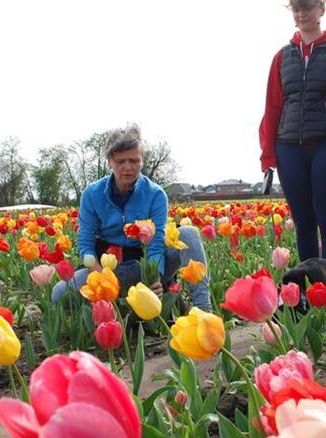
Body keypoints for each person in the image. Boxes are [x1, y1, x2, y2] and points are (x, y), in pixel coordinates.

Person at [52, 124, 212, 311]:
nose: (128, 167)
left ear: (142, 161)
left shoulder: (155, 194)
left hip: (145, 265)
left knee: (188, 233)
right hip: (108, 269)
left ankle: (203, 311)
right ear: (109, 162)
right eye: (120, 161)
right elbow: (85, 243)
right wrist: (102, 280)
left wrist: (154, 279)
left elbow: (156, 244)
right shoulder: (92, 194)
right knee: (59, 293)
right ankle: (121, 302)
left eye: (134, 160)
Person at [259, 0, 326, 269]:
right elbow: (272, 106)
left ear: (321, 9)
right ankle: (308, 290)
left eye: (308, 7)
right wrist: (267, 153)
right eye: (296, 8)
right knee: (303, 220)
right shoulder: (282, 57)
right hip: (288, 145)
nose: (302, 14)